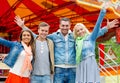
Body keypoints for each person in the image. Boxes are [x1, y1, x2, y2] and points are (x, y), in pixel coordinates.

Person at [14, 17, 76, 83]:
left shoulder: (74, 36)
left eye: (67, 26)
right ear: (59, 25)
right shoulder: (53, 36)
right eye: (63, 25)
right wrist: (23, 26)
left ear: (70, 25)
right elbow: (35, 36)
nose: (65, 27)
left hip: (69, 68)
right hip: (55, 69)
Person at [73, 2, 119, 83]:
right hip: (81, 65)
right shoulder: (76, 42)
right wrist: (106, 28)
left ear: (85, 29)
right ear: (76, 33)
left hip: (90, 63)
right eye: (78, 31)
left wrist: (103, 11)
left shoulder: (90, 37)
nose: (80, 31)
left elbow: (97, 27)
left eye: (81, 29)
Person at [14, 18, 54, 83]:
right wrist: (22, 26)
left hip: (47, 75)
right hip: (34, 75)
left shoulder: (50, 42)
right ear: (38, 30)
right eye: (42, 30)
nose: (44, 32)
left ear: (48, 31)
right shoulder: (33, 41)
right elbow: (30, 33)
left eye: (46, 31)